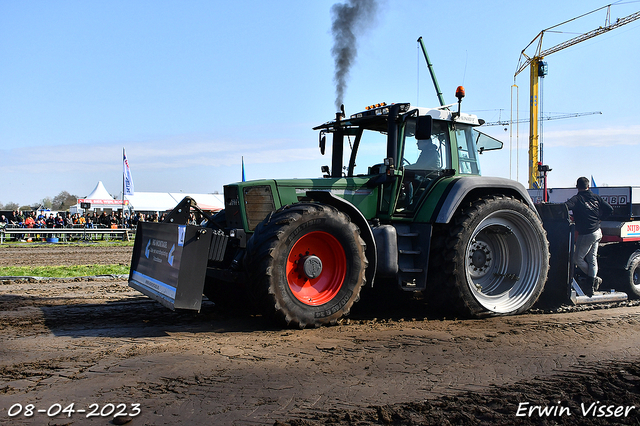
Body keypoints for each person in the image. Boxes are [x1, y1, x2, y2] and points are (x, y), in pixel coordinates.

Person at [565, 177, 613, 297]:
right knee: (592, 259)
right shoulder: (596, 197)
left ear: (577, 187)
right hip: (597, 232)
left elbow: (566, 206)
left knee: (577, 259)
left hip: (586, 234)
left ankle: (593, 280)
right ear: (588, 186)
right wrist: (600, 219)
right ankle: (590, 287)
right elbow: (609, 209)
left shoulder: (577, 198)